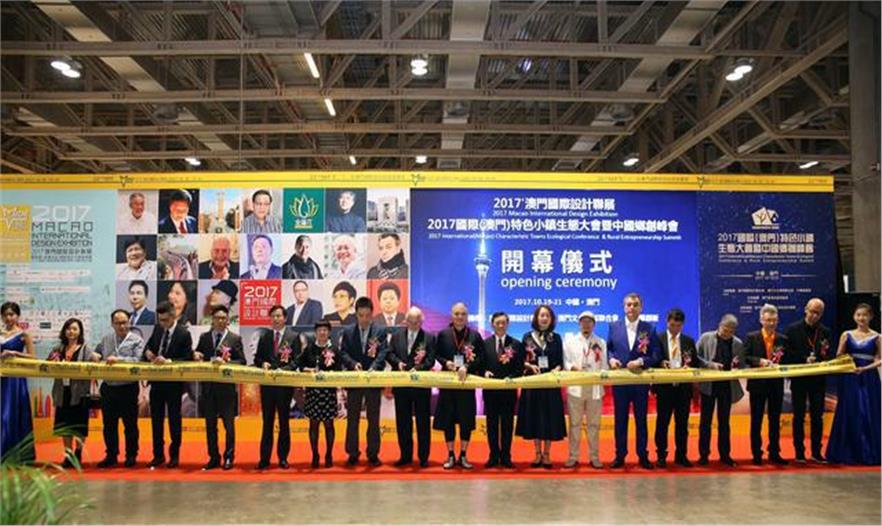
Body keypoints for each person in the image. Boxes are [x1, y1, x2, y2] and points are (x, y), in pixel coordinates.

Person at [607, 292, 660, 469]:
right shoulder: (614, 326)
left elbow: (656, 354)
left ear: (641, 307)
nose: (632, 308)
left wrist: (641, 361)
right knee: (620, 421)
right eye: (628, 304)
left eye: (635, 304)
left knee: (641, 421)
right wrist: (611, 360)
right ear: (624, 307)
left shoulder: (649, 328)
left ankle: (642, 455)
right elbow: (609, 349)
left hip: (640, 382)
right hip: (620, 382)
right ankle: (620, 455)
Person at [826, 303, 881, 465]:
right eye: (858, 315)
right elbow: (839, 355)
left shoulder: (877, 337)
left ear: (871, 317)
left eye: (865, 315)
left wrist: (865, 368)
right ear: (854, 317)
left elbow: (880, 359)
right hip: (850, 377)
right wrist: (848, 362)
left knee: (868, 410)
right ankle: (846, 452)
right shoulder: (846, 335)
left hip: (869, 377)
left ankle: (870, 452)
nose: (861, 318)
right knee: (849, 410)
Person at [433, 302, 484, 469]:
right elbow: (436, 354)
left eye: (463, 314)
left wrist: (467, 366)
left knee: (466, 421)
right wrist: (446, 362)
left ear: (467, 316)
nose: (460, 317)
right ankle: (450, 455)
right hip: (448, 384)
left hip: (466, 385)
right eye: (456, 314)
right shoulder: (443, 334)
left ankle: (463, 455)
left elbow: (480, 358)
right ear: (451, 315)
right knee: (448, 420)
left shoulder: (475, 336)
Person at [193, 305, 245, 471]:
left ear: (227, 320)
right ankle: (213, 457)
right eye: (217, 318)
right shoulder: (205, 337)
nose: (220, 321)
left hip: (226, 389)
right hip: (208, 388)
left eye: (223, 318)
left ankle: (229, 457)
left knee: (229, 426)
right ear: (212, 320)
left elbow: (242, 361)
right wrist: (196, 355)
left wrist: (227, 362)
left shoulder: (234, 339)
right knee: (210, 426)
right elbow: (198, 354)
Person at [143, 301, 194, 469]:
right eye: (160, 320)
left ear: (173, 316)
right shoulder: (158, 329)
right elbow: (149, 347)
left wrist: (169, 361)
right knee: (156, 420)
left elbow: (187, 358)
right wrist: (148, 353)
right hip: (156, 382)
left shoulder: (184, 333)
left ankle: (174, 455)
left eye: (165, 320)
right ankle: (158, 455)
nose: (162, 323)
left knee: (174, 420)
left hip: (173, 384)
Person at [516, 305, 567, 468]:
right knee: (535, 419)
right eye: (541, 315)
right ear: (536, 318)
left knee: (549, 419)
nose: (544, 318)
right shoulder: (527, 337)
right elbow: (521, 360)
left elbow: (560, 362)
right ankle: (537, 454)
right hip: (533, 384)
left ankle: (547, 454)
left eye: (547, 316)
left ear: (551, 319)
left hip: (550, 385)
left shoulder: (556, 338)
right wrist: (529, 366)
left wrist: (556, 370)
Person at [340, 297, 388, 467]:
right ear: (356, 314)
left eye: (367, 315)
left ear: (372, 314)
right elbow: (343, 353)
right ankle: (352, 453)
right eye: (361, 315)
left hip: (373, 380)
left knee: (373, 419)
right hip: (355, 380)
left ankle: (373, 454)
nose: (364, 319)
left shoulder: (380, 331)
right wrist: (353, 364)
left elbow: (383, 353)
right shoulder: (348, 332)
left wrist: (374, 367)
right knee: (352, 419)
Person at [784, 298, 833, 463]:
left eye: (818, 313)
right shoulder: (792, 330)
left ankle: (816, 452)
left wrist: (822, 359)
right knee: (798, 416)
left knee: (817, 417)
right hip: (799, 379)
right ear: (805, 309)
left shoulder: (825, 331)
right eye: (812, 311)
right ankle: (799, 452)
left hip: (818, 380)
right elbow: (786, 355)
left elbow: (828, 353)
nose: (814, 315)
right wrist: (804, 359)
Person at [386, 306, 436, 467]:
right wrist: (398, 363)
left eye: (417, 322)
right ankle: (405, 456)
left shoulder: (429, 338)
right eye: (411, 321)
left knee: (423, 422)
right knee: (403, 422)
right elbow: (389, 354)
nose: (414, 324)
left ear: (422, 321)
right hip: (401, 385)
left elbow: (430, 360)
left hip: (421, 386)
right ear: (406, 321)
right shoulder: (396, 336)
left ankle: (423, 457)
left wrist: (418, 369)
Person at [254, 305, 302, 469]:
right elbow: (257, 359)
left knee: (284, 422)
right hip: (267, 386)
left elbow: (297, 360)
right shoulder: (265, 336)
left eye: (279, 316)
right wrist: (263, 363)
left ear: (285, 318)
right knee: (267, 422)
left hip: (284, 386)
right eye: (273, 316)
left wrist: (285, 370)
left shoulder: (293, 336)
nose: (276, 319)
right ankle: (264, 458)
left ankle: (283, 458)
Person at [95, 310, 145, 468]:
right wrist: (95, 355)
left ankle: (131, 455)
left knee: (130, 425)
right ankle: (111, 455)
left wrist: (119, 360)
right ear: (112, 324)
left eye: (124, 322)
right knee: (109, 425)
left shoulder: (137, 340)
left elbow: (138, 360)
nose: (121, 326)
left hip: (128, 388)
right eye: (117, 323)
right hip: (108, 387)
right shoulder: (106, 339)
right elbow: (97, 352)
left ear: (129, 322)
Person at [48, 318, 100, 467]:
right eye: (69, 328)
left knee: (79, 425)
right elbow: (47, 364)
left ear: (80, 332)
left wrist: (96, 358)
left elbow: (95, 362)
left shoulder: (85, 348)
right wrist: (53, 361)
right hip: (61, 392)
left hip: (79, 393)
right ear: (64, 331)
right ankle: (68, 455)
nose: (71, 331)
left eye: (75, 329)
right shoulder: (58, 348)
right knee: (64, 425)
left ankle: (78, 452)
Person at [694, 314, 743, 467]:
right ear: (719, 325)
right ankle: (703, 455)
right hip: (708, 386)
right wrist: (710, 365)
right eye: (725, 330)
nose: (727, 334)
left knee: (724, 422)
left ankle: (725, 455)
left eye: (730, 332)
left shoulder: (738, 343)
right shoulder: (705, 338)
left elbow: (742, 364)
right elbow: (694, 357)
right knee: (705, 422)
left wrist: (737, 367)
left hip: (727, 386)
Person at [744, 303, 789, 465]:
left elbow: (788, 359)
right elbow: (745, 357)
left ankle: (774, 452)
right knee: (756, 420)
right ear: (761, 320)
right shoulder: (752, 337)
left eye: (774, 320)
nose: (771, 323)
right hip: (757, 385)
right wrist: (759, 361)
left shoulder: (783, 339)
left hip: (776, 384)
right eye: (768, 320)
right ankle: (756, 453)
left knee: (775, 420)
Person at [562, 310, 607, 469]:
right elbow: (565, 362)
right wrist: (573, 368)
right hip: (575, 388)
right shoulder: (570, 341)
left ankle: (594, 457)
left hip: (595, 389)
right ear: (579, 323)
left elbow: (604, 366)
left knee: (594, 425)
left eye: (589, 322)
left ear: (594, 324)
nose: (586, 324)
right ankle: (573, 457)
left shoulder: (601, 342)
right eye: (583, 321)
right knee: (574, 424)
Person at [653, 308, 696, 468]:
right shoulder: (658, 339)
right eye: (672, 325)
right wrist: (660, 363)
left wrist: (689, 366)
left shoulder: (688, 341)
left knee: (682, 424)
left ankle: (681, 455)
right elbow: (652, 359)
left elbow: (695, 362)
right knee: (662, 423)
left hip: (683, 389)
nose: (675, 329)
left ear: (682, 325)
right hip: (665, 389)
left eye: (678, 326)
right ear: (667, 323)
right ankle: (661, 455)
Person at [482, 312, 524, 469]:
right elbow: (480, 365)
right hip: (490, 391)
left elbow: (519, 368)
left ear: (507, 324)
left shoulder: (516, 344)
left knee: (507, 425)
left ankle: (506, 456)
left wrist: (510, 378)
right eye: (497, 323)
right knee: (491, 425)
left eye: (503, 323)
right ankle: (493, 456)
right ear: (492, 324)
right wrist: (484, 372)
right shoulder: (484, 344)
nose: (500, 325)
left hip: (508, 391)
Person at [297, 320, 341, 468]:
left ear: (329, 332)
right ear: (315, 332)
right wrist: (307, 370)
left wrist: (331, 374)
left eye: (325, 330)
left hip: (328, 392)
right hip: (313, 393)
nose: (322, 332)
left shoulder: (334, 349)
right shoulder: (309, 348)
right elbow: (300, 364)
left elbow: (339, 368)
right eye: (320, 330)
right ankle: (315, 454)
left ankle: (329, 454)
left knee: (329, 425)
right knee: (313, 425)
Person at [0, 301, 36, 462]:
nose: (8, 318)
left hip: (15, 381)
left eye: (11, 314)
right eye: (5, 315)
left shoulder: (24, 335)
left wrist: (14, 353)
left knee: (11, 414)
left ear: (18, 316)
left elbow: (33, 357)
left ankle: (16, 454)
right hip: (1, 377)